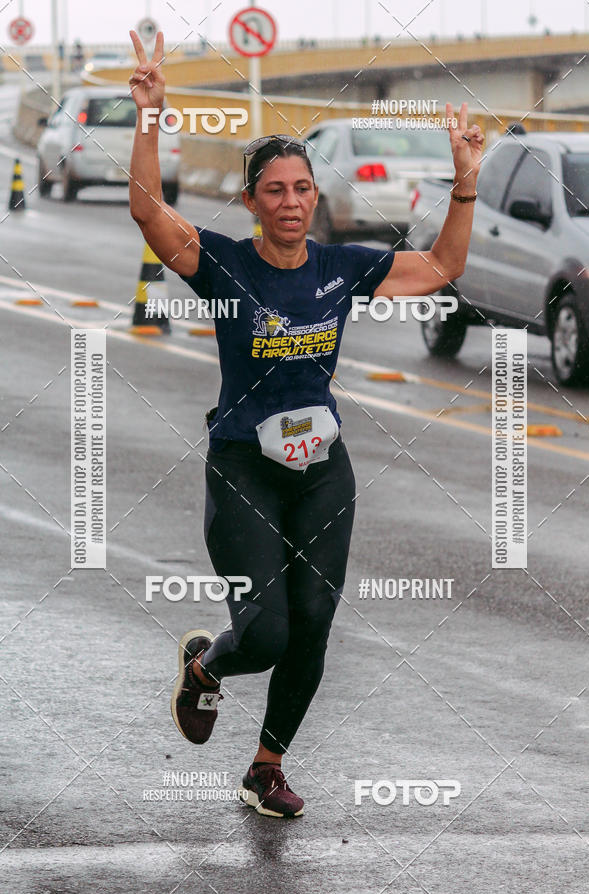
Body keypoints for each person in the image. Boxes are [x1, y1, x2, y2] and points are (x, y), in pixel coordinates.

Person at [128, 30, 484, 818]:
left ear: (314, 198)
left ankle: (266, 767)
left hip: (323, 469)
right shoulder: (226, 265)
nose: (289, 202)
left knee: (314, 622)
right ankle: (205, 667)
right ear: (251, 202)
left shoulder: (341, 268)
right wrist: (151, 116)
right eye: (274, 191)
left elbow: (443, 267)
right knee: (265, 635)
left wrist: (464, 184)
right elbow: (148, 212)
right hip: (242, 466)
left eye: (301, 189)